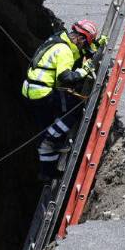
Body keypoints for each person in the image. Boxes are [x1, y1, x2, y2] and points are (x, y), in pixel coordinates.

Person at [21, 19, 107, 182]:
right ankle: (51, 137)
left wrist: (94, 46)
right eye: (86, 43)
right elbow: (66, 77)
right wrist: (85, 71)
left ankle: (47, 173)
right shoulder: (64, 50)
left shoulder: (59, 38)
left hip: (30, 91)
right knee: (74, 108)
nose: (85, 46)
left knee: (48, 135)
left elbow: (77, 53)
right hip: (42, 93)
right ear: (80, 38)